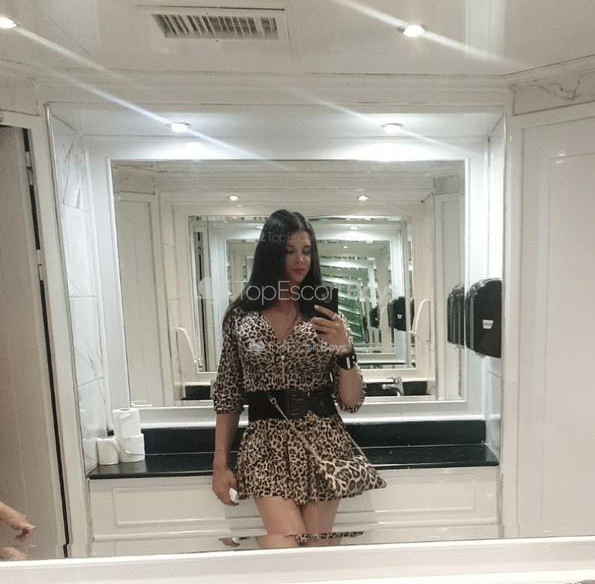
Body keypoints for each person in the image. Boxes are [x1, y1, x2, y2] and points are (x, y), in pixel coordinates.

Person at [211, 209, 386, 547]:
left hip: (323, 441)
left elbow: (351, 402)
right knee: (286, 550)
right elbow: (229, 394)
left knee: (316, 554)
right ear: (270, 254)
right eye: (289, 250)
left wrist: (344, 350)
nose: (300, 260)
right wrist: (220, 464)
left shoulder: (326, 316)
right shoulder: (242, 318)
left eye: (306, 251)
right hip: (265, 445)